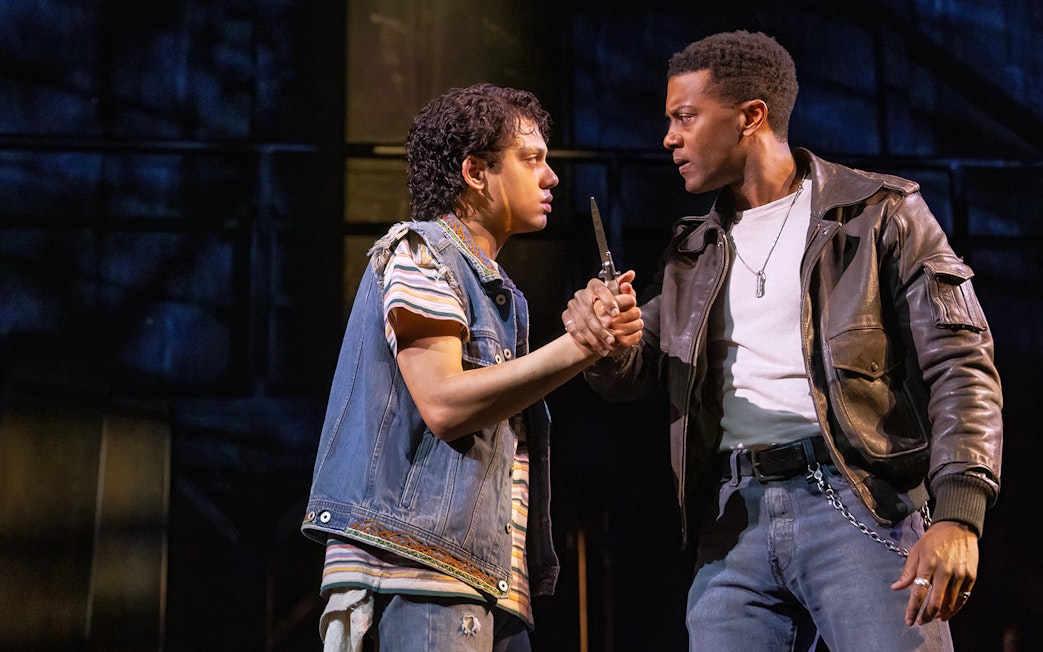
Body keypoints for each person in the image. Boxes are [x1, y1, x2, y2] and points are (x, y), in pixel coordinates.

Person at [563, 30, 1002, 651]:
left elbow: (962, 362)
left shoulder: (880, 212)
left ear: (750, 117)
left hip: (858, 503)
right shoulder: (695, 250)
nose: (669, 138)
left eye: (685, 117)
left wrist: (960, 510)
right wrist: (601, 333)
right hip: (732, 522)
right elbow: (634, 366)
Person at [301, 83, 642, 651]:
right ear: (475, 173)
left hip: (484, 577)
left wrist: (594, 342)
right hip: (423, 570)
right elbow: (444, 402)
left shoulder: (498, 290)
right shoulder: (421, 252)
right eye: (532, 159)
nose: (551, 176)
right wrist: (581, 345)